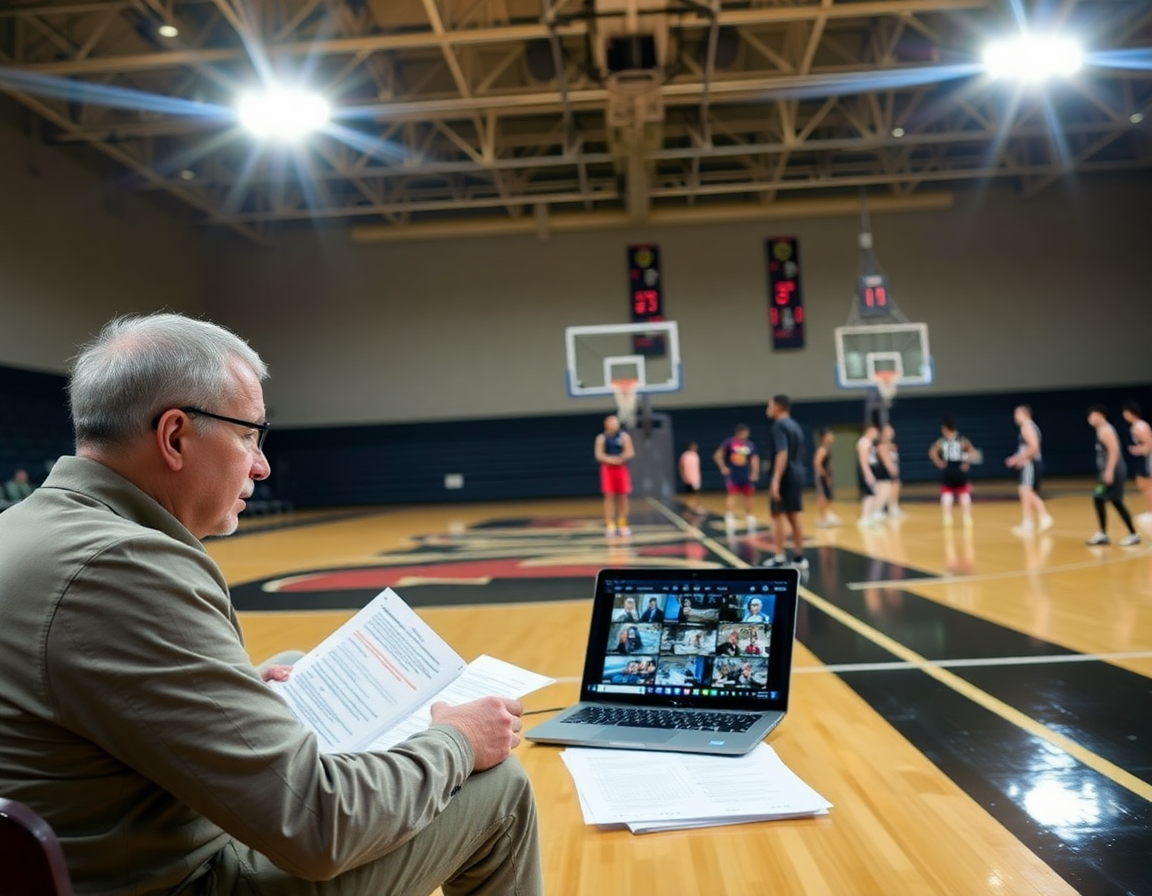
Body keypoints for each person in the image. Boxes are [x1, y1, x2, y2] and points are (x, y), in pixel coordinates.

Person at [0, 313, 542, 896]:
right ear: (175, 436)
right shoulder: (123, 566)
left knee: (286, 667)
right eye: (249, 434)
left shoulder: (23, 528)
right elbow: (319, 828)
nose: (259, 464)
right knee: (498, 786)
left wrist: (230, 688)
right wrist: (456, 740)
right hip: (171, 882)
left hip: (82, 855)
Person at [762, 395, 808, 569]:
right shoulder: (795, 426)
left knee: (776, 515)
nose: (768, 408)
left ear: (779, 407)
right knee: (794, 516)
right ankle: (799, 558)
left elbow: (782, 453)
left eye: (770, 405)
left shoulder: (778, 426)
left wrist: (775, 480)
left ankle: (779, 556)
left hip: (785, 474)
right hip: (797, 471)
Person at [1086, 405, 1141, 547]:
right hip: (1105, 472)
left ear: (1101, 416)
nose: (1090, 418)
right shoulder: (1100, 430)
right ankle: (1103, 534)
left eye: (1093, 415)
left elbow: (1114, 451)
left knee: (1116, 501)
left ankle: (1133, 534)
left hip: (1113, 471)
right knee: (1098, 498)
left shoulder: (1105, 430)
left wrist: (1109, 471)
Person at [1005, 405, 1053, 536]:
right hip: (1028, 463)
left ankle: (1040, 517)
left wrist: (1018, 459)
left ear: (1024, 414)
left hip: (1030, 464)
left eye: (1017, 414)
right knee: (1025, 491)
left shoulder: (1027, 427)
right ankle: (1032, 521)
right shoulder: (1027, 427)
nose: (1015, 417)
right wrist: (1016, 458)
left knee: (1025, 491)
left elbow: (1034, 448)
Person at [929, 415, 976, 529]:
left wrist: (938, 462)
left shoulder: (942, 441)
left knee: (947, 493)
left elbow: (932, 452)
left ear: (945, 428)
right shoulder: (962, 440)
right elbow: (972, 451)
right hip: (959, 468)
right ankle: (967, 518)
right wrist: (966, 463)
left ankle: (947, 517)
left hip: (948, 468)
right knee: (964, 493)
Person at [713, 424, 760, 532]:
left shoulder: (750, 445)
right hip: (734, 474)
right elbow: (717, 455)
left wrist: (754, 472)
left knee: (749, 495)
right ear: (738, 432)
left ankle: (749, 515)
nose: (746, 435)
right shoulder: (729, 443)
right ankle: (730, 515)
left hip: (745, 474)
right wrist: (723, 467)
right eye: (744, 433)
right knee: (731, 495)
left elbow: (754, 459)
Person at [595, 413, 635, 537]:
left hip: (621, 468)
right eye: (612, 422)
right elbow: (599, 455)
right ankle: (610, 524)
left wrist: (621, 458)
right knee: (609, 496)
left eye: (616, 422)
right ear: (606, 424)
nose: (615, 424)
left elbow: (630, 452)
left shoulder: (624, 436)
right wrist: (609, 459)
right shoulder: (601, 438)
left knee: (623, 496)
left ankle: (623, 524)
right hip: (607, 469)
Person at [1121, 401, 1152, 530]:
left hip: (1145, 459)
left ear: (1130, 413)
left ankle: (1150, 511)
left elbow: (1149, 444)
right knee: (1142, 485)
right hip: (1141, 459)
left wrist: (1137, 450)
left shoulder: (1140, 426)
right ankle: (1149, 509)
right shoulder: (1136, 426)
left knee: (1147, 485)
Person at [855, 421, 883, 528]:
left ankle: (869, 517)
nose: (876, 433)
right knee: (869, 495)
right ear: (868, 431)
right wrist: (867, 473)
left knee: (872, 494)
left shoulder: (870, 442)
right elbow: (863, 460)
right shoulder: (864, 442)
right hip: (867, 469)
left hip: (870, 469)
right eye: (874, 431)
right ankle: (864, 518)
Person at [812, 428, 841, 528]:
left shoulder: (827, 449)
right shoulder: (822, 450)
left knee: (828, 497)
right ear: (824, 437)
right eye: (829, 435)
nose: (832, 437)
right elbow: (817, 464)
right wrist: (825, 476)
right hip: (821, 477)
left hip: (826, 476)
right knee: (822, 498)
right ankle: (820, 519)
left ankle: (826, 515)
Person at [880, 424, 905, 517]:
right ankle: (887, 508)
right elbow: (884, 457)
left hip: (894, 466)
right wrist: (890, 466)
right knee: (887, 488)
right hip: (886, 469)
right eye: (889, 431)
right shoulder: (882, 444)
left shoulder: (893, 444)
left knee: (896, 485)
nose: (892, 433)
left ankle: (894, 506)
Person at [678, 440, 704, 514]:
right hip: (688, 478)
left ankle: (696, 507)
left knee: (696, 493)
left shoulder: (696, 456)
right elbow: (681, 466)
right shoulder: (685, 456)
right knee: (689, 494)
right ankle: (688, 508)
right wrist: (684, 476)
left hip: (695, 478)